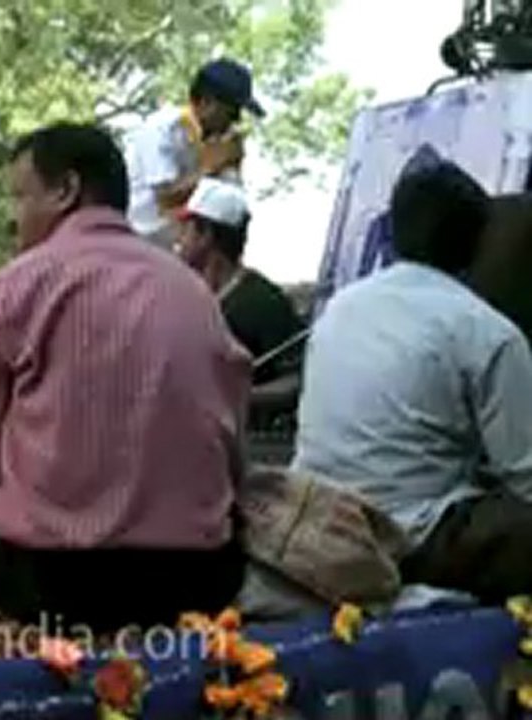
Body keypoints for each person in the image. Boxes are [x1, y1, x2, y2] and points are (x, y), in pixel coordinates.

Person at [0, 122, 251, 632]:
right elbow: (232, 457)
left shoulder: (17, 285)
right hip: (199, 579)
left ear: (65, 191)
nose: (15, 219)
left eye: (19, 196)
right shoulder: (194, 292)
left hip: (62, 581)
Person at [291, 161, 532, 603]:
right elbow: (527, 476)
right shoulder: (486, 330)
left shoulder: (341, 307)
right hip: (411, 536)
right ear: (478, 241)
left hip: (316, 520)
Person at [125, 58, 263, 251]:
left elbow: (227, 208)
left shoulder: (215, 142)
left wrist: (232, 167)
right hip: (136, 244)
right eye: (231, 112)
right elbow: (166, 198)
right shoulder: (162, 129)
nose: (236, 121)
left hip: (177, 251)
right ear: (206, 102)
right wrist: (211, 168)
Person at [176, 178, 305, 384]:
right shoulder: (184, 293)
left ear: (206, 235)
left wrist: (240, 398)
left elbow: (295, 379)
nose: (178, 239)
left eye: (185, 229)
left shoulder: (263, 301)